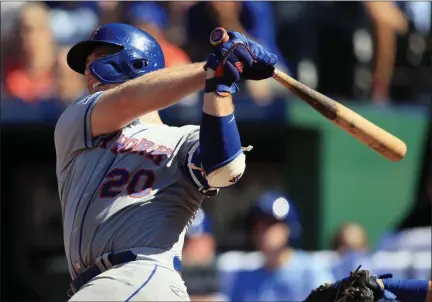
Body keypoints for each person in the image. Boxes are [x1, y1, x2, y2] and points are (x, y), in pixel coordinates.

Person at [54, 23, 277, 301]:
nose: (88, 73)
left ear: (136, 61)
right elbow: (127, 101)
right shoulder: (77, 121)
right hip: (100, 285)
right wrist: (213, 67)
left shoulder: (184, 139)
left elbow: (225, 168)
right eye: (86, 65)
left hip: (142, 274)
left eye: (97, 59)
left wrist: (219, 85)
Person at [224, 191, 335, 301]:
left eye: (270, 224)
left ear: (289, 228)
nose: (261, 231)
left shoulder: (311, 270)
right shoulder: (243, 279)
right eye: (256, 225)